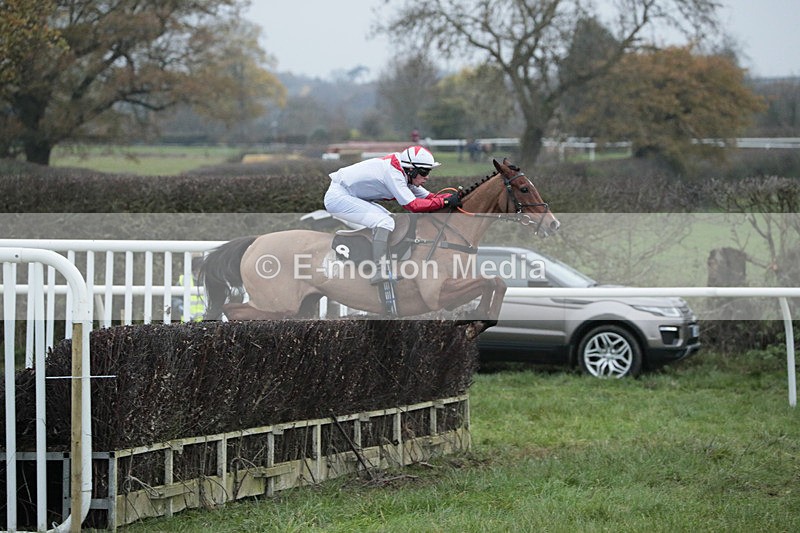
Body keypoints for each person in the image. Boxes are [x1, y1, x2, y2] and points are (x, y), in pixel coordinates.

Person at [324, 145, 461, 283]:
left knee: (390, 221)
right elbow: (413, 205)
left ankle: (381, 262)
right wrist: (445, 202)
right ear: (412, 170)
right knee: (385, 222)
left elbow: (430, 197)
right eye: (424, 172)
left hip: (349, 195)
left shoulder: (404, 173)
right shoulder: (394, 174)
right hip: (338, 197)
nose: (427, 177)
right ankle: (379, 270)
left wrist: (456, 197)